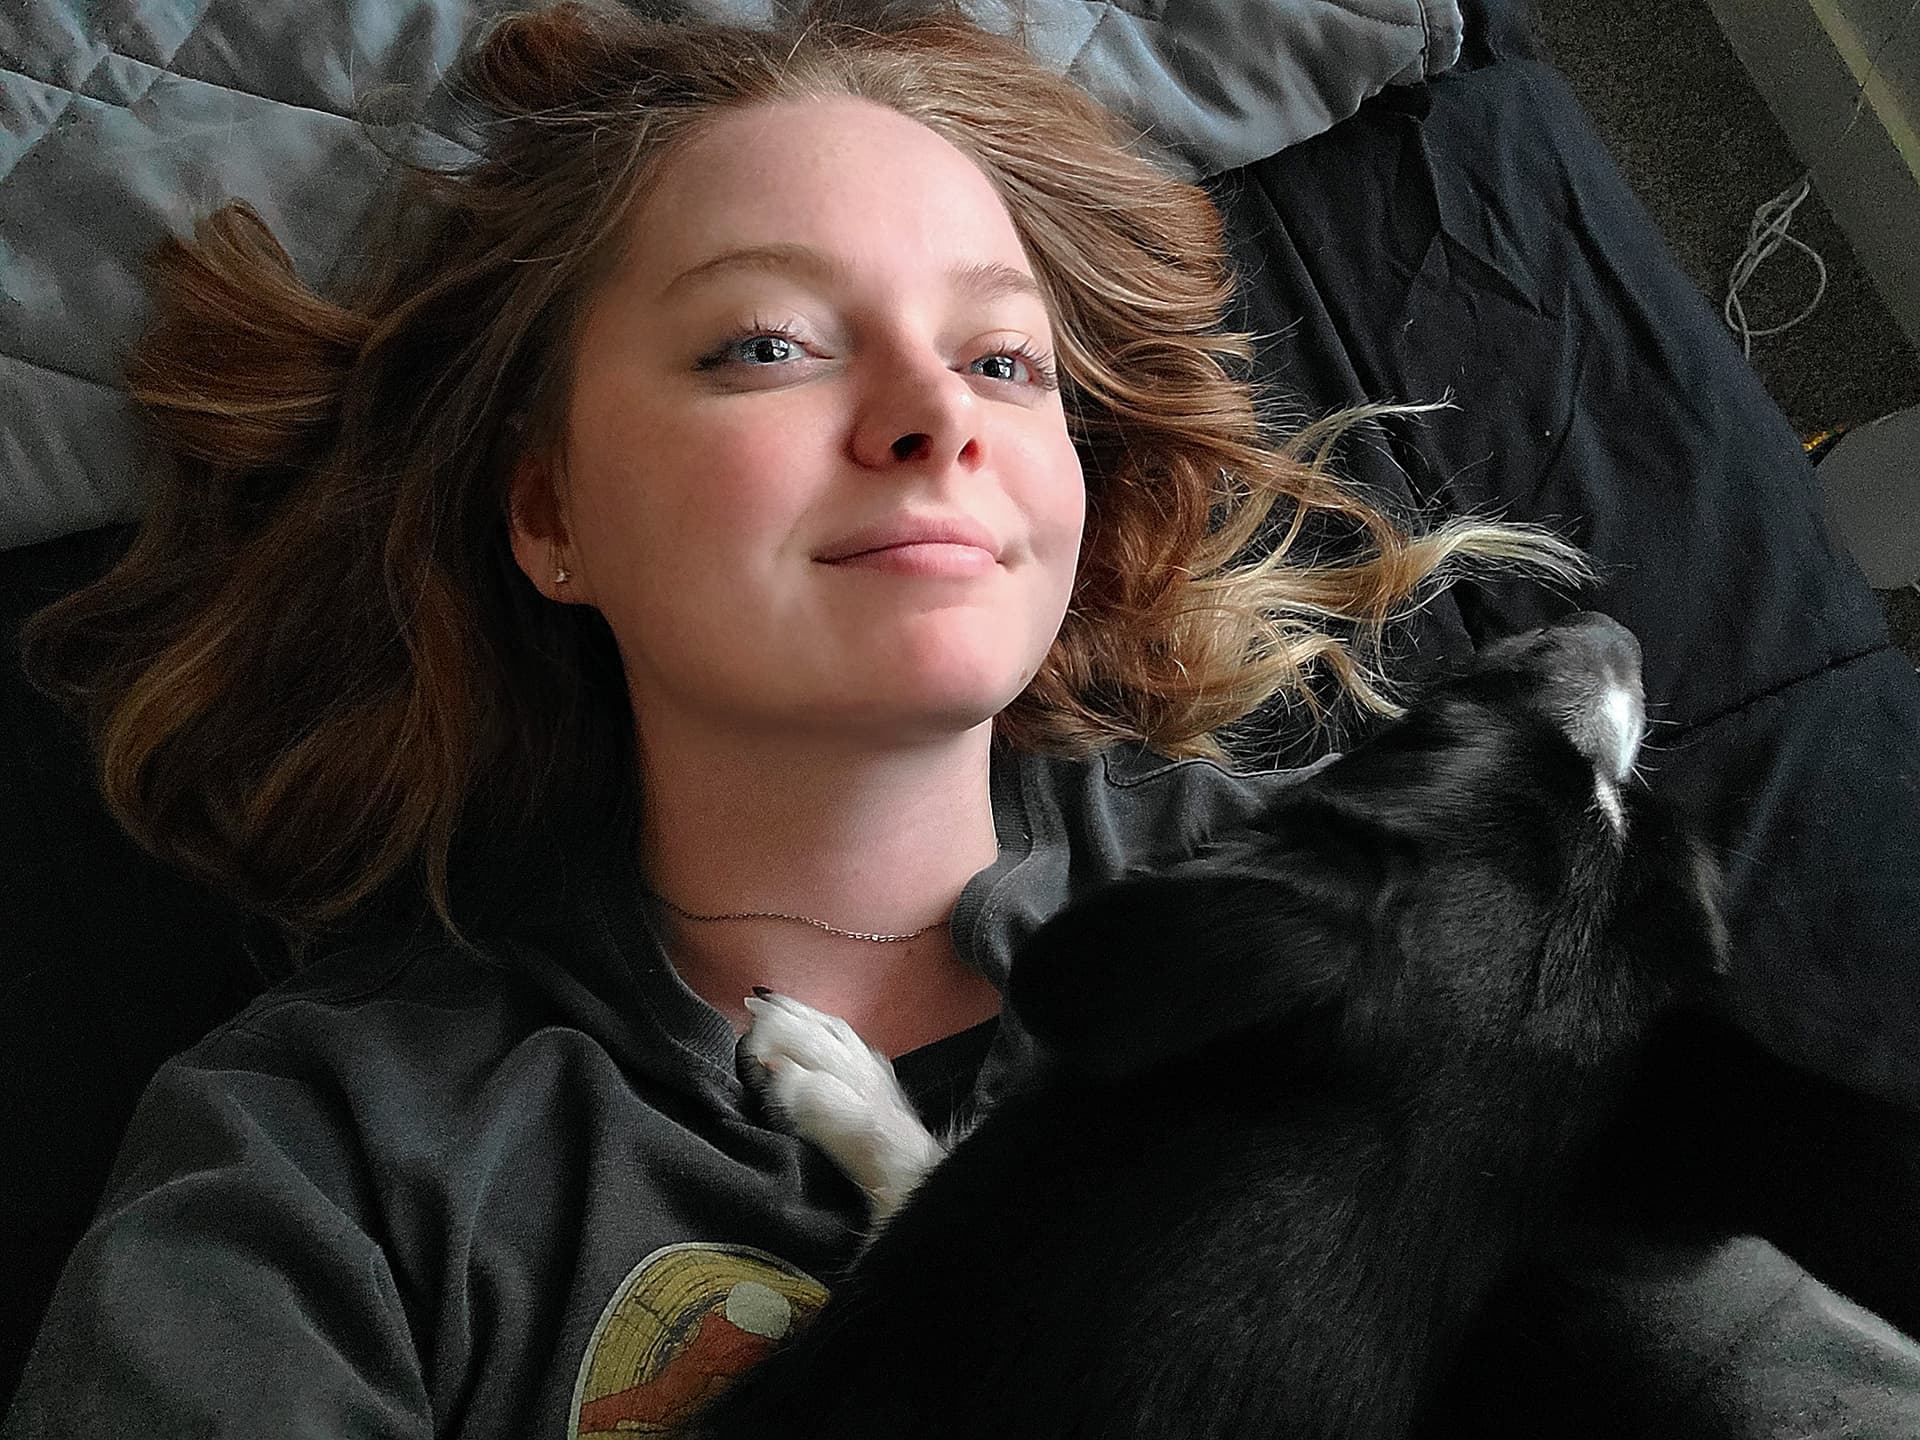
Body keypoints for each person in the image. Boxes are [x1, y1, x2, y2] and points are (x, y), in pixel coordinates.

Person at [5, 0, 1817, 1434]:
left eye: (1004, 359)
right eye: (765, 344)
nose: (936, 414)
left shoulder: (1450, 919)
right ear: (549, 511)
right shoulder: (328, 1156)